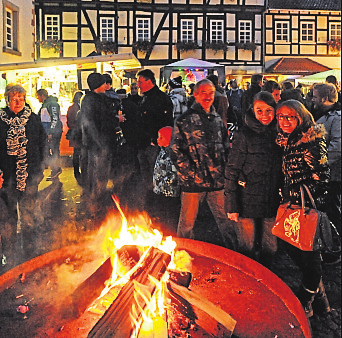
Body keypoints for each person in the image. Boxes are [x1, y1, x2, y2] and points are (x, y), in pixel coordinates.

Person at [275, 99, 331, 318]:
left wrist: (294, 193)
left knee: (309, 254)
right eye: (281, 116)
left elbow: (322, 179)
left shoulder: (311, 142)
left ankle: (306, 300)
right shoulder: (287, 139)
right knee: (292, 246)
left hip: (308, 207)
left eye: (290, 116)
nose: (285, 120)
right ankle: (321, 298)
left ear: (301, 116)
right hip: (293, 205)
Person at [169, 79, 236, 249]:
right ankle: (182, 255)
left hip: (217, 181)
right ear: (195, 94)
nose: (208, 96)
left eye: (211, 93)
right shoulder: (184, 120)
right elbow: (176, 151)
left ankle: (235, 255)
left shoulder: (217, 120)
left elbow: (226, 146)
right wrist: (191, 173)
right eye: (204, 93)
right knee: (186, 225)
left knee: (226, 222)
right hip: (193, 183)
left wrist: (225, 171)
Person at [225, 92, 282, 267]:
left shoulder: (280, 133)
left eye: (268, 110)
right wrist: (232, 205)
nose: (264, 115)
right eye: (259, 111)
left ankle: (267, 279)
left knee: (270, 246)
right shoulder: (244, 135)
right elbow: (232, 170)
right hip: (246, 200)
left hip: (272, 199)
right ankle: (247, 279)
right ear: (252, 110)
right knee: (246, 247)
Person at [0, 85, 47, 262]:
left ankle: (30, 252)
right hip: (7, 179)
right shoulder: (0, 121)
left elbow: (42, 144)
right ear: (7, 100)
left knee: (29, 215)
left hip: (29, 177)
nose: (18, 101)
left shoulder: (32, 119)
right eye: (14, 98)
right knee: (7, 218)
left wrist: (40, 169)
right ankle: (9, 254)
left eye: (21, 97)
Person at [79, 73, 120, 207]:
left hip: (99, 143)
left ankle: (97, 199)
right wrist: (100, 143)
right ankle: (96, 202)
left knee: (99, 174)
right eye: (103, 83)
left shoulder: (94, 98)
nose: (106, 86)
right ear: (98, 85)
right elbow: (94, 123)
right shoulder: (92, 100)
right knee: (98, 174)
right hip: (98, 144)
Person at [312, 83, 341, 264]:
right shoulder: (323, 115)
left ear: (324, 98)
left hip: (333, 174)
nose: (312, 99)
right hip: (325, 174)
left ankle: (335, 249)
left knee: (332, 211)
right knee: (326, 210)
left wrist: (320, 164)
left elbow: (337, 147)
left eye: (314, 96)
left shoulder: (337, 118)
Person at [136, 69, 173, 200]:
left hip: (153, 144)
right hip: (143, 143)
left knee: (155, 173)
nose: (137, 85)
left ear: (149, 81)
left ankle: (156, 201)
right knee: (146, 173)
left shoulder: (161, 98)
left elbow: (166, 123)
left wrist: (155, 139)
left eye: (140, 81)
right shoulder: (145, 98)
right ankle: (149, 198)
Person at [152, 126, 181, 231]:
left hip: (169, 192)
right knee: (162, 215)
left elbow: (173, 174)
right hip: (161, 192)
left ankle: (171, 234)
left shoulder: (172, 154)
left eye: (161, 138)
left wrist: (160, 186)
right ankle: (163, 231)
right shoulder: (162, 151)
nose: (157, 140)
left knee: (170, 215)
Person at [36, 88, 63, 180]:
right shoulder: (48, 104)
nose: (37, 98)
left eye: (38, 96)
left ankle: (55, 169)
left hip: (52, 133)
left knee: (53, 150)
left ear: (42, 95)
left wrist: (51, 132)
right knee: (51, 150)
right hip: (50, 132)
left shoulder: (50, 104)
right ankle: (55, 169)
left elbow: (54, 118)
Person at [66, 91, 83, 184]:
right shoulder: (77, 108)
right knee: (77, 153)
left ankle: (76, 171)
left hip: (74, 132)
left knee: (76, 152)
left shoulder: (71, 108)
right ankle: (77, 171)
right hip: (77, 133)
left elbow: (68, 121)